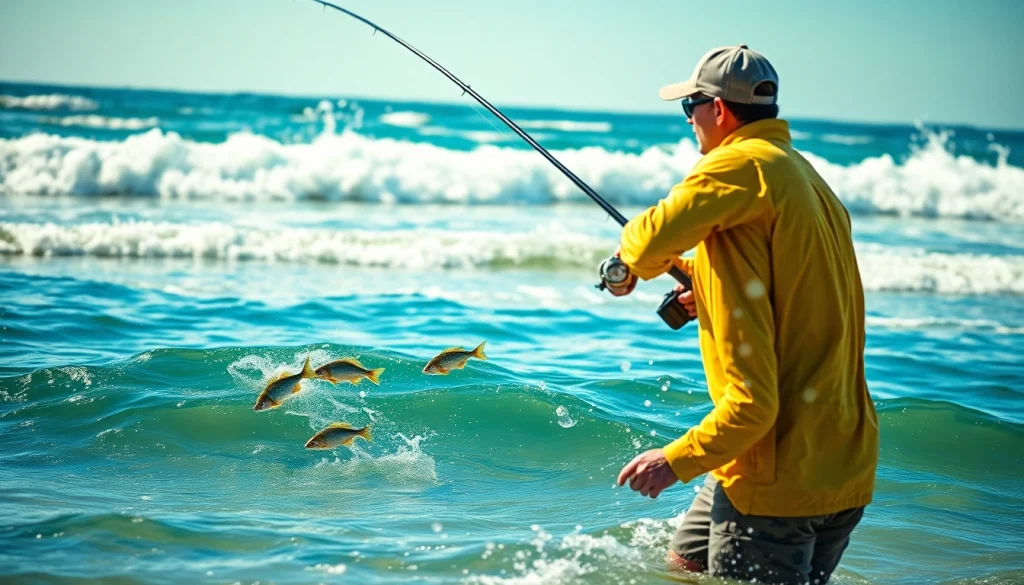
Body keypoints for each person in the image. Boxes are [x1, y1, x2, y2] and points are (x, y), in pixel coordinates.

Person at [606, 45, 879, 585]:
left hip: (777, 473)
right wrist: (704, 288)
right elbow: (790, 294)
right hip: (841, 463)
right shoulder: (804, 178)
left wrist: (675, 459)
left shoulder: (739, 164)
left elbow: (650, 236)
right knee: (685, 564)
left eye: (691, 109)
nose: (689, 122)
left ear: (719, 110)